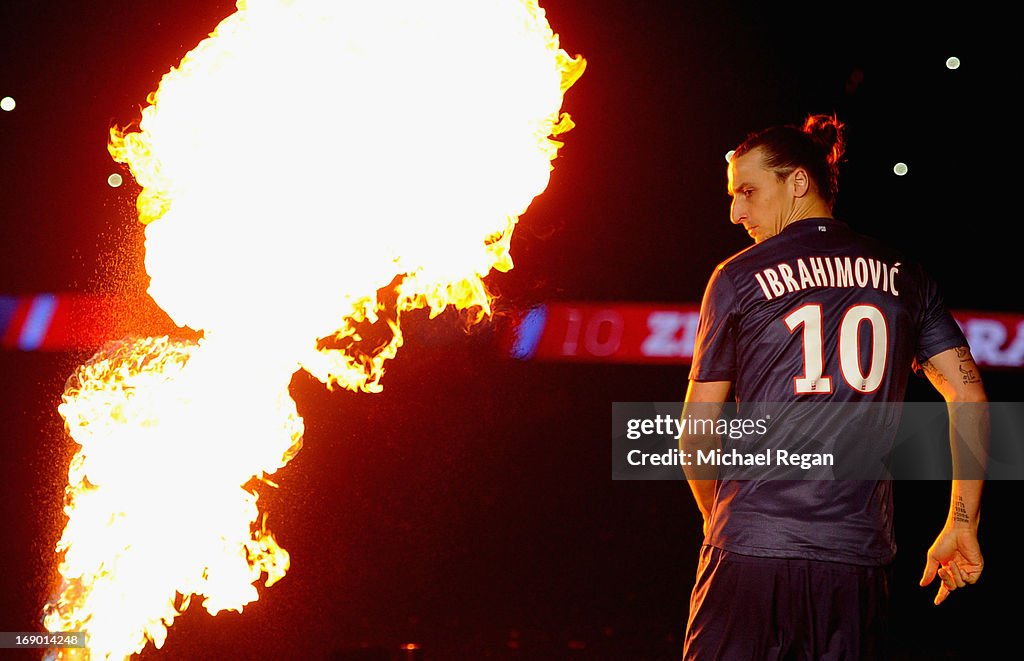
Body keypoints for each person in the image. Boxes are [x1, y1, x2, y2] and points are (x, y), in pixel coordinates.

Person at [678, 114, 988, 659]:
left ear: (798, 182)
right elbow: (969, 395)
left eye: (748, 192)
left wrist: (726, 520)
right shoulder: (907, 275)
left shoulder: (736, 276)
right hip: (854, 565)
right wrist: (963, 521)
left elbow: (696, 433)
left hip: (750, 553)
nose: (736, 212)